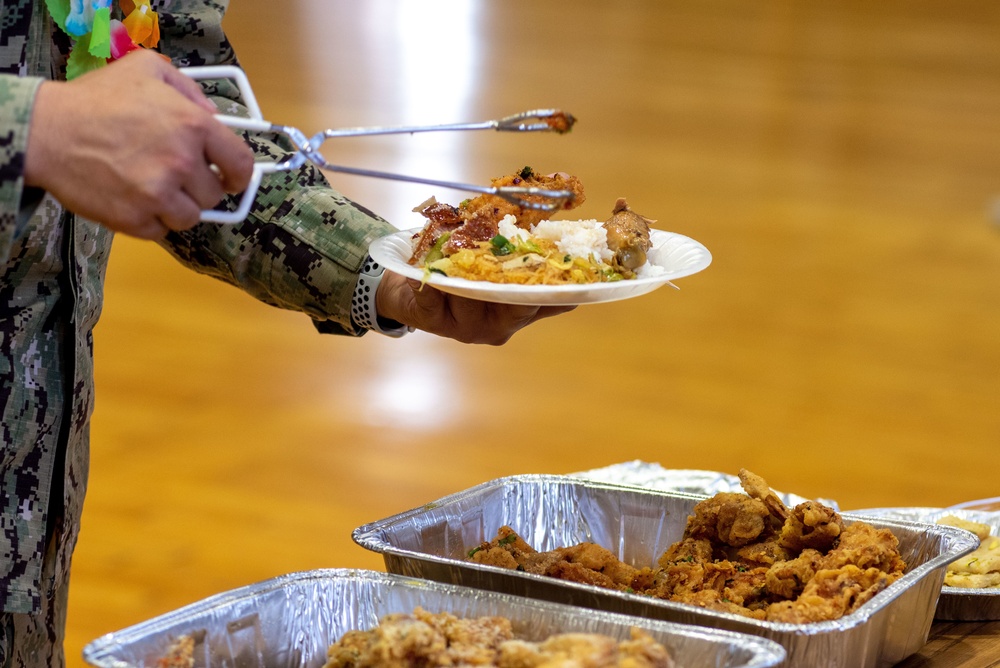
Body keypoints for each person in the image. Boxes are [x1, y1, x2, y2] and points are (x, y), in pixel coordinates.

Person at [0, 1, 574, 664]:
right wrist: (33, 127)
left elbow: (182, 87)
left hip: (29, 500)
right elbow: (74, 124)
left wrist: (388, 271)